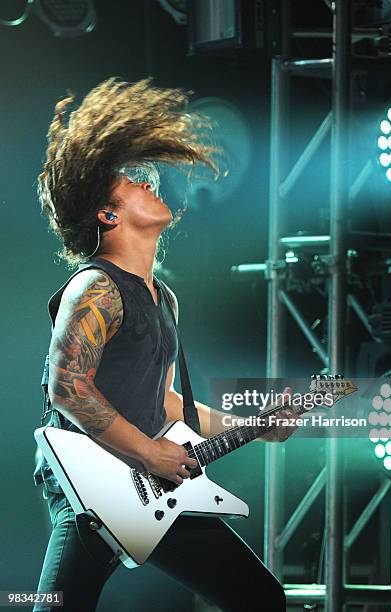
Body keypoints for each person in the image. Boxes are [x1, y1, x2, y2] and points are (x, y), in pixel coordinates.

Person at [33, 78, 296, 612]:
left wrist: (252, 427)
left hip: (148, 491)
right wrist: (151, 451)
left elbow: (167, 402)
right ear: (108, 214)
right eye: (135, 182)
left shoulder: (163, 298)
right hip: (92, 489)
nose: (152, 185)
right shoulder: (96, 286)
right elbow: (66, 386)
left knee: (260, 599)